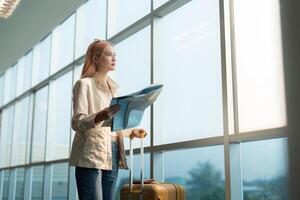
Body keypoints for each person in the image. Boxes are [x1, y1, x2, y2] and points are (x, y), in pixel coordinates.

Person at [69, 39, 147, 200]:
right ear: (96, 58)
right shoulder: (83, 84)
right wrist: (99, 115)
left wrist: (132, 131)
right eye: (109, 54)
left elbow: (112, 124)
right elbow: (77, 122)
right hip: (90, 151)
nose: (114, 59)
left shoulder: (113, 89)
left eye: (115, 55)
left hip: (113, 150)